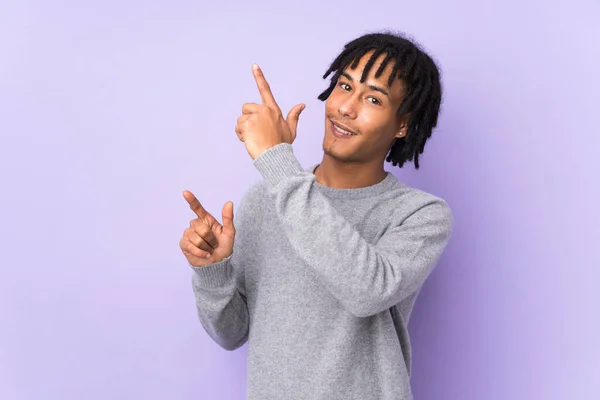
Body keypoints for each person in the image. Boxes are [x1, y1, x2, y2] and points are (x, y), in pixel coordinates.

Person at [179, 31, 454, 400]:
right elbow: (232, 334)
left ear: (402, 125)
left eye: (373, 98)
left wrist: (276, 160)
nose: (346, 107)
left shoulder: (419, 214)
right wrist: (213, 272)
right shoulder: (268, 198)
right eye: (344, 86)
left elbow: (367, 290)